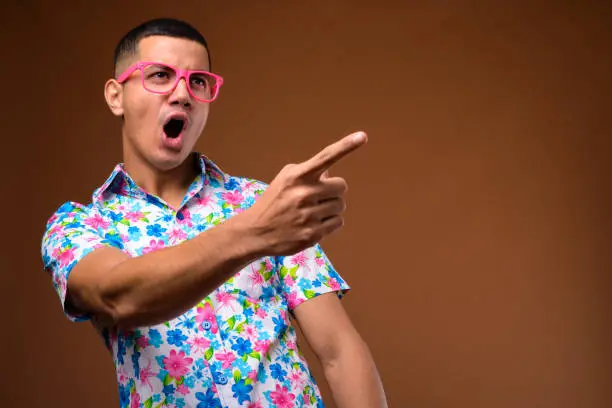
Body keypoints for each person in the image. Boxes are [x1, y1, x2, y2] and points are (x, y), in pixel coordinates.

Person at [41, 17, 386, 408]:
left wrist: (261, 221)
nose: (182, 94)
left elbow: (340, 351)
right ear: (116, 96)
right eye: (160, 75)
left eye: (198, 82)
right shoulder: (78, 226)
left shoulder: (264, 201)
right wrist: (253, 233)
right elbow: (118, 297)